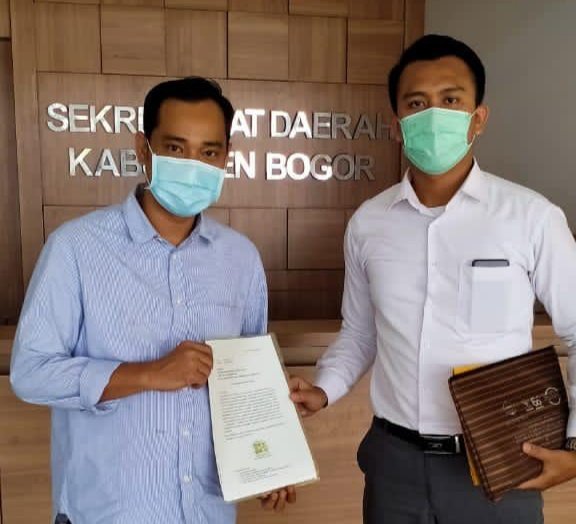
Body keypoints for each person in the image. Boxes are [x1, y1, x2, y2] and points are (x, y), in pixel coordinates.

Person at [289, 34, 576, 523]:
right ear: (397, 124)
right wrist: (324, 388)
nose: (434, 115)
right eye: (417, 104)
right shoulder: (369, 223)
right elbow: (359, 334)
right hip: (394, 465)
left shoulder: (531, 217)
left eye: (451, 100)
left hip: (499, 463)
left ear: (478, 118)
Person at [11, 77, 294, 524]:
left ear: (227, 156)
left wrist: (268, 463)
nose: (193, 165)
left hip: (207, 511)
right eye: (176, 148)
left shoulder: (240, 259)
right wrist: (147, 374)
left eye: (209, 152)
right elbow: (30, 373)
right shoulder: (76, 248)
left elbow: (246, 381)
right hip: (108, 513)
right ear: (143, 149)